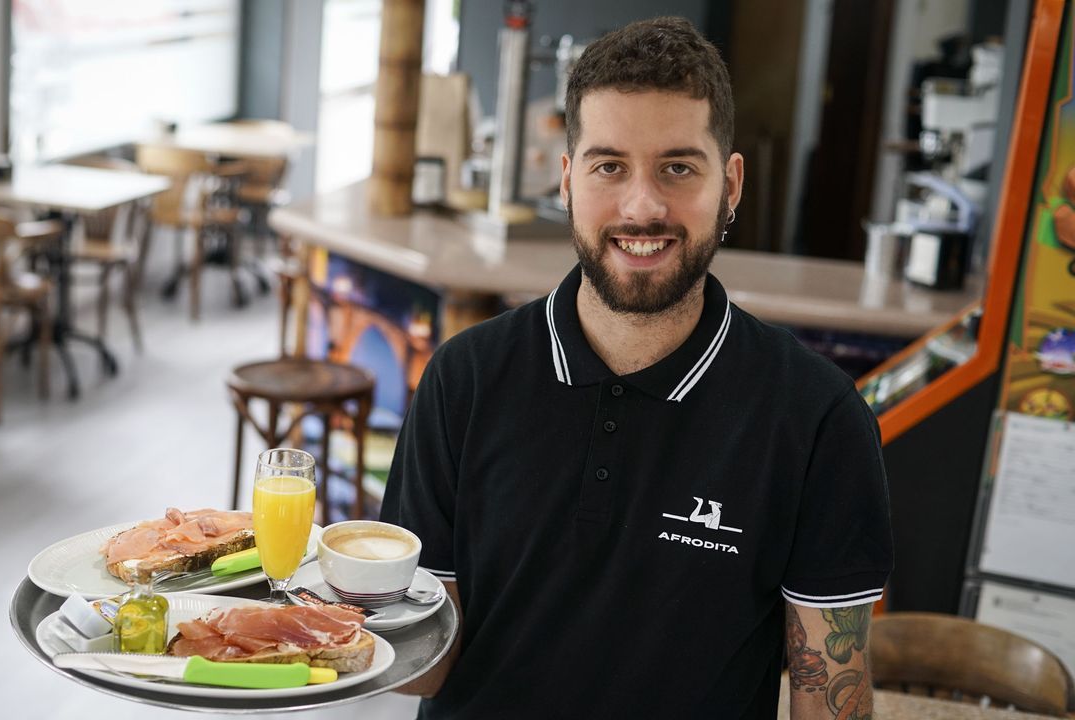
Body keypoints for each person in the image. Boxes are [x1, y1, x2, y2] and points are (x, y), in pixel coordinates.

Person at [380, 17, 892, 719]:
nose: (643, 206)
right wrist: (333, 605)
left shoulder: (818, 417)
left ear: (731, 183)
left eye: (678, 167)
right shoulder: (463, 379)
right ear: (566, 180)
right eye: (608, 166)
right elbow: (423, 672)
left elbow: (828, 698)